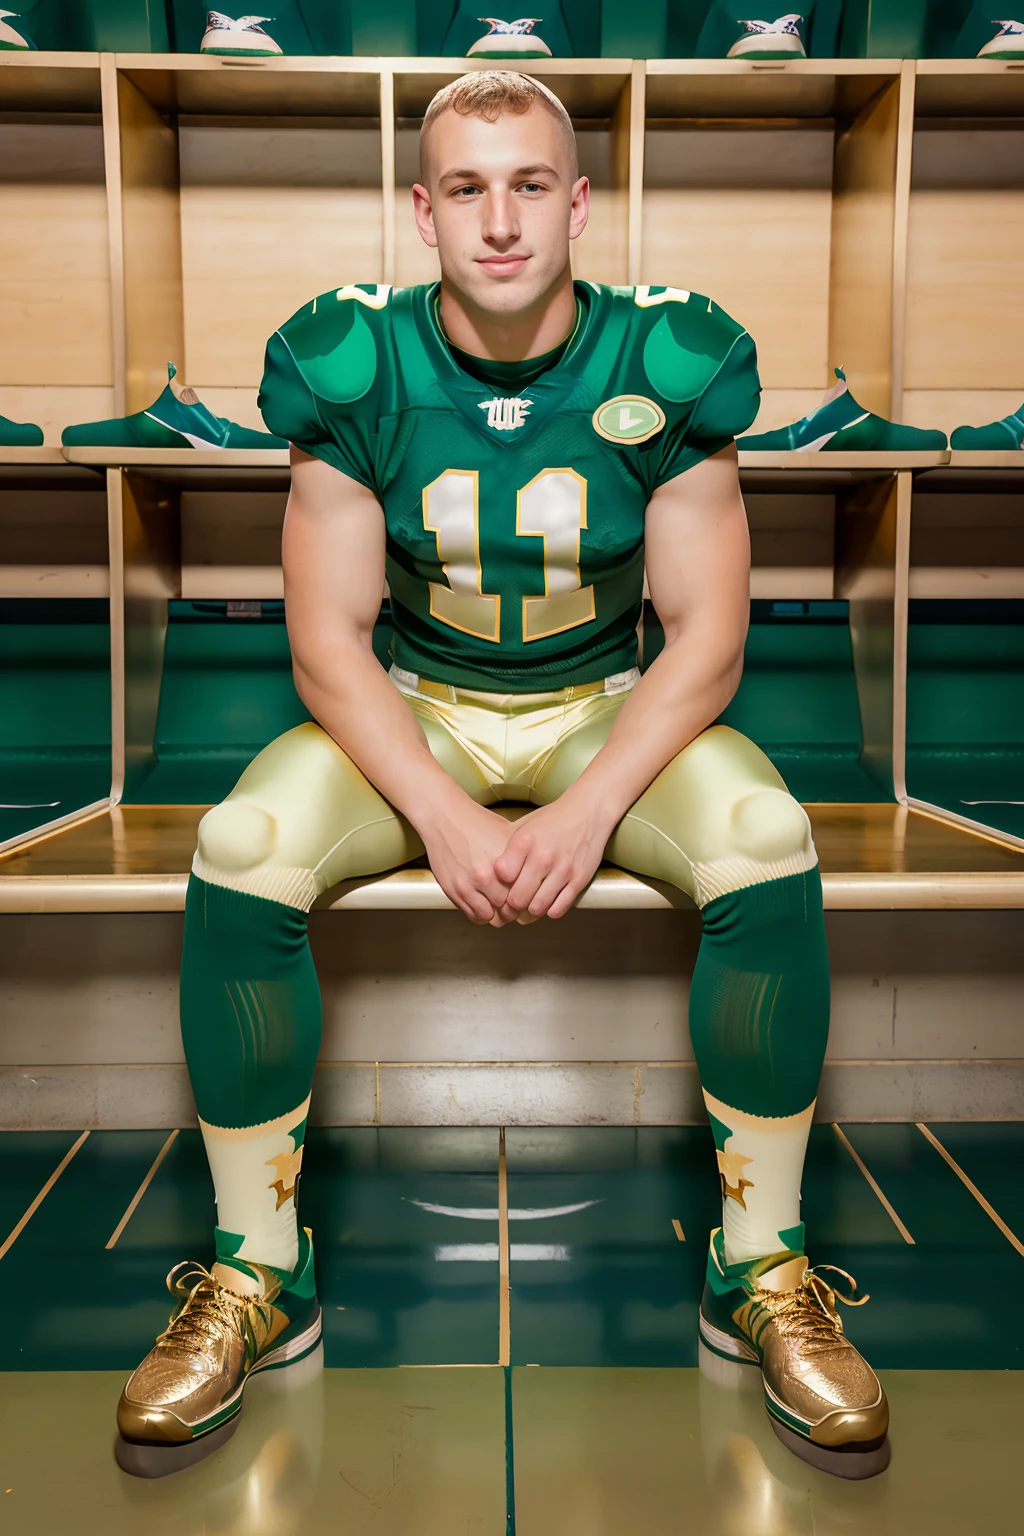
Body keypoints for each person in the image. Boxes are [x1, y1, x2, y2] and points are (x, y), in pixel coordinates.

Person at [115, 70, 888, 1481]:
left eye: (531, 184)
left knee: (767, 836)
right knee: (240, 846)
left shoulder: (669, 357)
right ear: (423, 210)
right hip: (422, 708)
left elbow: (707, 642)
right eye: (467, 188)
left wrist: (589, 807)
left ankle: (760, 1264)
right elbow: (329, 645)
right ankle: (254, 1271)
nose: (501, 219)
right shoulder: (351, 361)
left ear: (579, 203)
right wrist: (445, 812)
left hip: (608, 709)